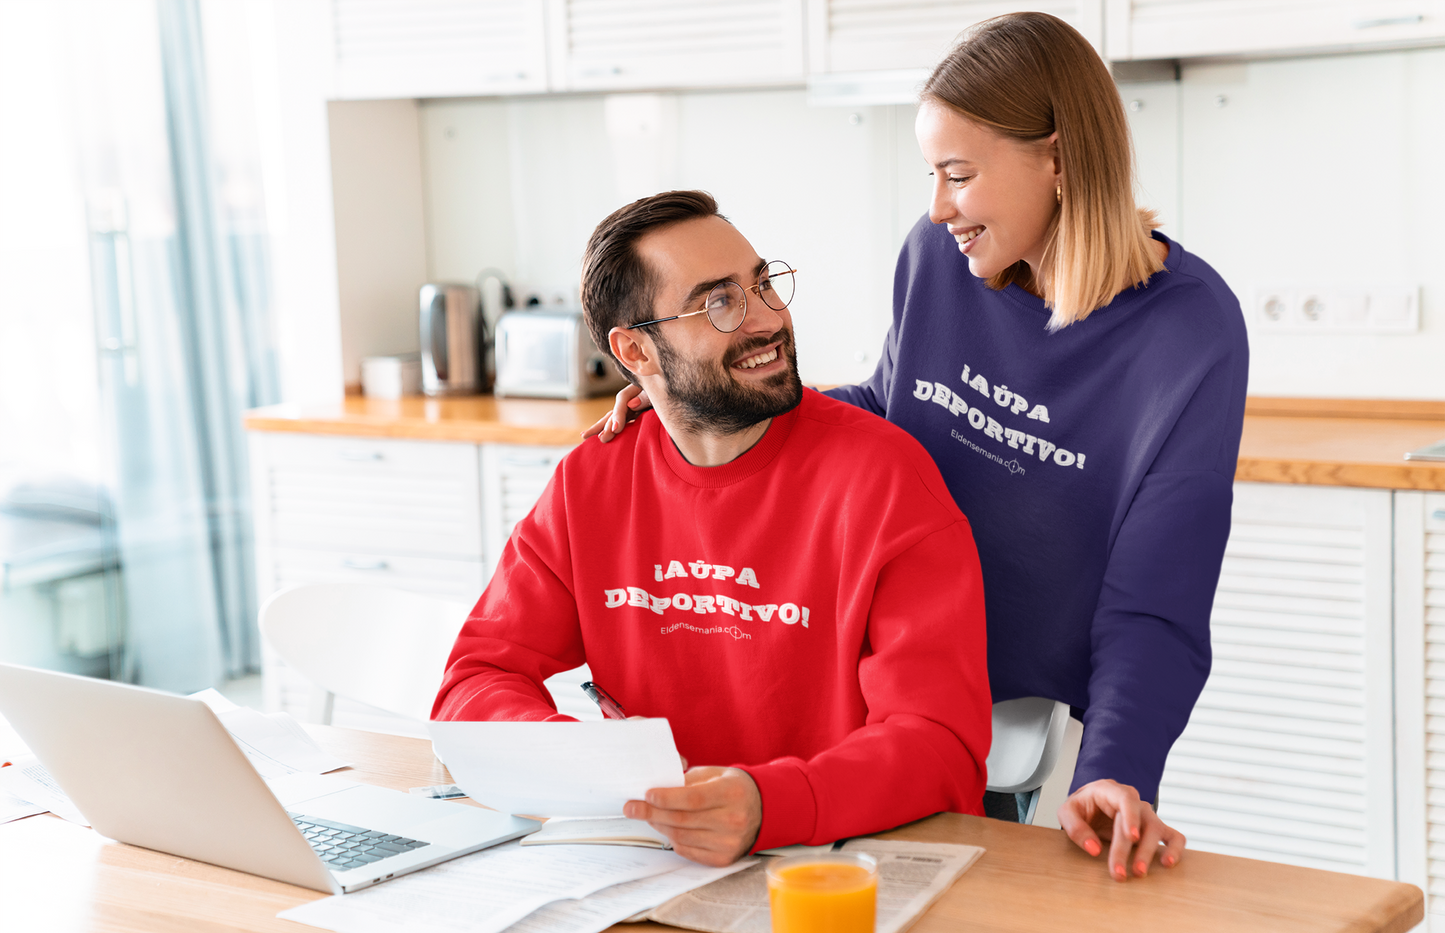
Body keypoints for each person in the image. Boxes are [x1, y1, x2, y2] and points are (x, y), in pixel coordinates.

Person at [587, 12, 1248, 882]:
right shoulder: (936, 257)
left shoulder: (1190, 332)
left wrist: (1114, 770)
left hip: (1028, 713)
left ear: (1056, 156)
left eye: (959, 174)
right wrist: (702, 395)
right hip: (880, 686)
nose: (938, 206)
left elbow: (1154, 599)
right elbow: (891, 409)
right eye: (931, 174)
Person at [433, 190, 993, 867]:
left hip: (845, 860)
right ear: (636, 351)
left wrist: (768, 803)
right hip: (652, 859)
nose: (765, 319)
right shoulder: (593, 480)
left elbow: (939, 745)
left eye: (761, 284)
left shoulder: (884, 480)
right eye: (718, 303)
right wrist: (587, 763)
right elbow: (475, 680)